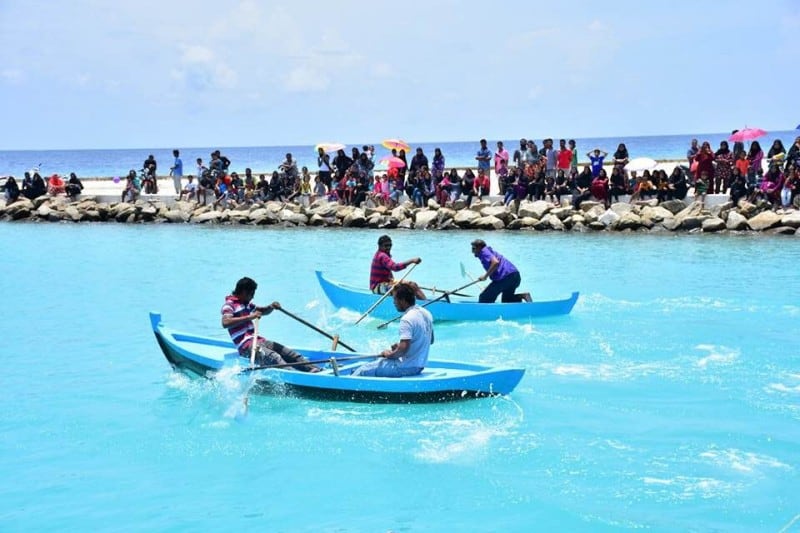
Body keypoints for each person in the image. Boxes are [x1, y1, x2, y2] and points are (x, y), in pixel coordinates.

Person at [221, 277, 320, 372]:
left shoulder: (246, 304)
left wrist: (271, 306)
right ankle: (297, 378)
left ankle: (315, 370)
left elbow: (262, 311)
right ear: (243, 292)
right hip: (247, 348)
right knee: (275, 358)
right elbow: (225, 322)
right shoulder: (229, 305)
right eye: (251, 294)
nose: (253, 297)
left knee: (290, 353)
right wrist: (250, 317)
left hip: (259, 341)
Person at [351, 282, 433, 378]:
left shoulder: (407, 319)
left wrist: (388, 355)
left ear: (402, 300)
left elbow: (403, 349)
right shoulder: (427, 313)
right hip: (419, 367)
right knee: (375, 364)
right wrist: (399, 347)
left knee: (362, 370)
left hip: (405, 368)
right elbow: (430, 340)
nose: (394, 302)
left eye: (395, 299)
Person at [369, 235, 425, 299]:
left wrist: (393, 280)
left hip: (384, 284)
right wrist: (412, 261)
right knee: (407, 289)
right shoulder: (382, 256)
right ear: (380, 246)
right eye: (386, 245)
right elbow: (395, 267)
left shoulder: (381, 254)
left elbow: (388, 271)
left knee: (413, 285)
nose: (388, 247)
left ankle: (422, 302)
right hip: (377, 287)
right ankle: (423, 304)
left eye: (390, 245)